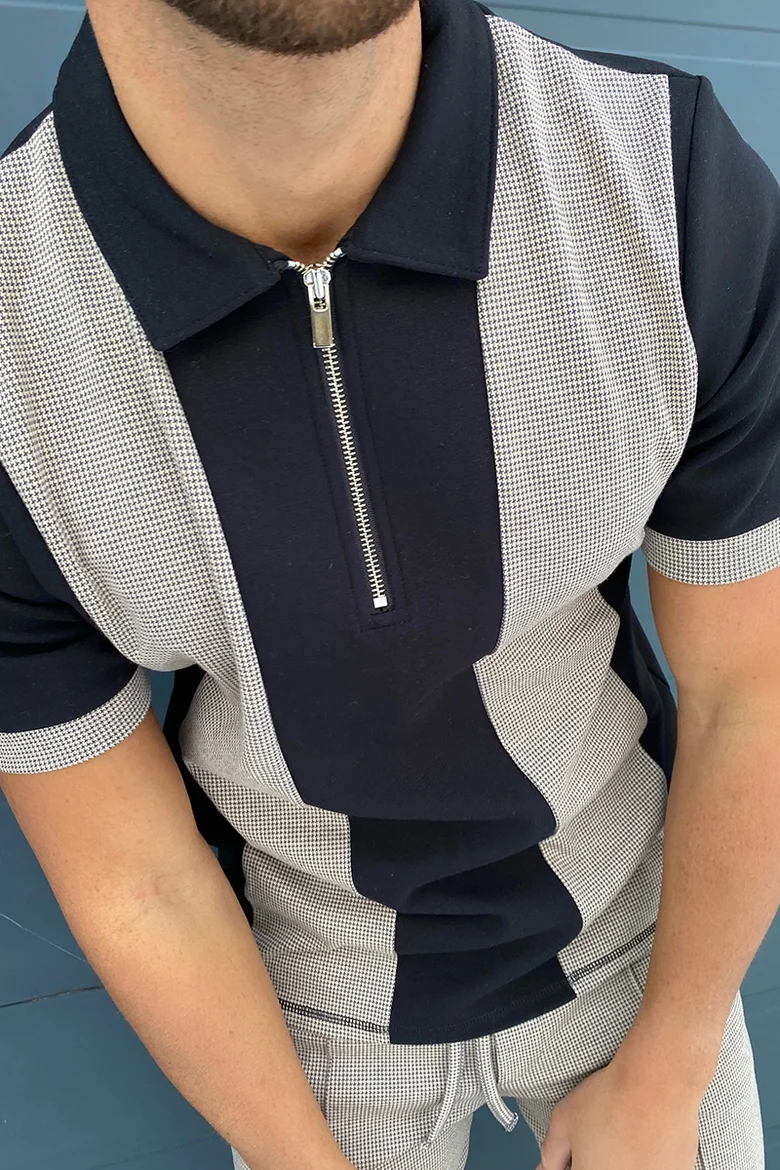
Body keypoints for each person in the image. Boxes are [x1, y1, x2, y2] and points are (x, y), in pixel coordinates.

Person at [1, 0, 779, 1167]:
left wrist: (672, 1065)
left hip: (641, 944)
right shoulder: (15, 339)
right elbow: (134, 879)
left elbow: (750, 691)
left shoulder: (663, 180)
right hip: (301, 1013)